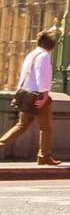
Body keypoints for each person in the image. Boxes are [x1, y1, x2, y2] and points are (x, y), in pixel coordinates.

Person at [0, 33, 62, 166]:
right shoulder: (44, 56)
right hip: (37, 97)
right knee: (46, 129)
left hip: (26, 95)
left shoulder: (32, 54)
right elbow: (42, 76)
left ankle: (1, 144)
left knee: (21, 126)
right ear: (52, 46)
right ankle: (43, 156)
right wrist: (44, 94)